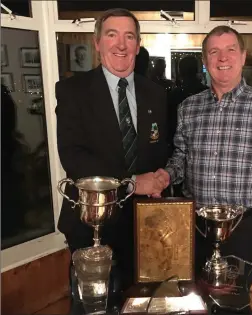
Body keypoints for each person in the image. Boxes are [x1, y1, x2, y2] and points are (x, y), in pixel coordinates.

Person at [155, 25, 252, 313]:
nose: (223, 58)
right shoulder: (188, 108)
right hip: (195, 224)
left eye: (231, 50)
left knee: (232, 301)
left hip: (243, 226)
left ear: (243, 57)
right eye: (214, 52)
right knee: (196, 298)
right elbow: (181, 158)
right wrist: (166, 175)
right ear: (205, 61)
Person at [55, 8, 169, 302]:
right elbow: (73, 157)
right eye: (112, 35)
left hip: (144, 222)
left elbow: (161, 149)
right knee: (92, 305)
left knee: (142, 302)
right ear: (97, 42)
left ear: (138, 44)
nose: (121, 44)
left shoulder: (155, 94)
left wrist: (161, 176)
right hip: (91, 221)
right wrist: (131, 182)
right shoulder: (72, 91)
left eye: (129, 36)